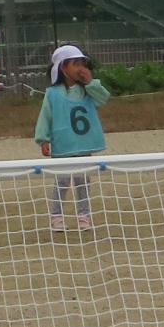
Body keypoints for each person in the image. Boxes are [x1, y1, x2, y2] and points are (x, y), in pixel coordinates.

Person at [33, 45, 109, 232]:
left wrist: (92, 82)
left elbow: (104, 99)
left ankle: (84, 215)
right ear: (63, 67)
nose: (80, 68)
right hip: (63, 143)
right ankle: (56, 216)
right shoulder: (52, 93)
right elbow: (46, 116)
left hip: (84, 143)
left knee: (83, 180)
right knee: (62, 181)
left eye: (83, 63)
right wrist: (43, 139)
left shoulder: (88, 90)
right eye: (76, 64)